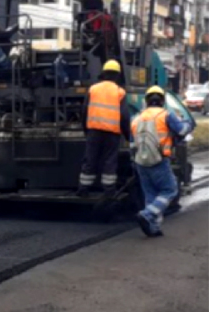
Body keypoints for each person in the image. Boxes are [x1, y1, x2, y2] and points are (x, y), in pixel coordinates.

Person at [131, 85, 194, 237]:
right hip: (159, 160)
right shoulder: (165, 115)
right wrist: (187, 124)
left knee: (150, 194)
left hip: (140, 161)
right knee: (169, 190)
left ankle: (153, 228)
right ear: (162, 100)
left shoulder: (136, 118)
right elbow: (182, 131)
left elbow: (132, 143)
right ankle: (147, 214)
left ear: (146, 101)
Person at [77, 59, 131, 196]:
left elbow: (84, 111)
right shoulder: (120, 92)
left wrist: (86, 130)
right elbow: (124, 116)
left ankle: (83, 189)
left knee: (90, 159)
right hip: (112, 134)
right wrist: (128, 135)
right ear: (117, 75)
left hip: (94, 132)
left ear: (104, 73)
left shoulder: (93, 89)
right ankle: (109, 191)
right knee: (109, 161)